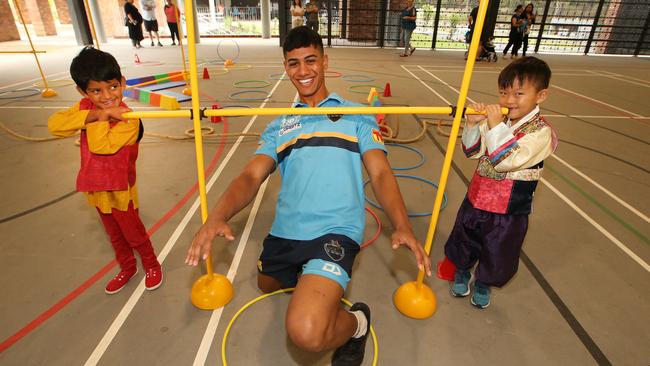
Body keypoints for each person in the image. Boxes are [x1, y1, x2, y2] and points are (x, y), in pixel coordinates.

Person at [186, 26, 431, 365]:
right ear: (285, 67)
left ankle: (357, 323)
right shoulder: (279, 125)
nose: (303, 71)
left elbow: (380, 172)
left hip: (335, 232)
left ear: (325, 61)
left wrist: (401, 224)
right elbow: (250, 176)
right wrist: (217, 216)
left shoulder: (356, 116)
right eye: (293, 63)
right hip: (287, 231)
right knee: (265, 284)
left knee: (306, 331)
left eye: (310, 60)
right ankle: (309, 275)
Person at [444, 56, 556, 309]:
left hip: (509, 210)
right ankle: (462, 269)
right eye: (504, 93)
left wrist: (493, 125)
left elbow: (506, 160)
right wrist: (472, 125)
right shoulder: (496, 122)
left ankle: (483, 283)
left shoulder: (541, 132)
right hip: (477, 198)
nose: (508, 101)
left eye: (519, 93)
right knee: (465, 237)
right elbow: (473, 151)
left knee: (498, 249)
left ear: (541, 95)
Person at [48, 47, 163, 294]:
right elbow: (55, 125)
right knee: (113, 234)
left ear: (122, 83)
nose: (107, 96)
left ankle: (152, 265)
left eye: (112, 86)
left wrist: (101, 117)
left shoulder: (129, 120)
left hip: (122, 189)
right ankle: (127, 267)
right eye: (96, 91)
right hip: (96, 187)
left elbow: (102, 146)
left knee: (134, 234)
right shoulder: (85, 108)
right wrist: (97, 114)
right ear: (83, 91)